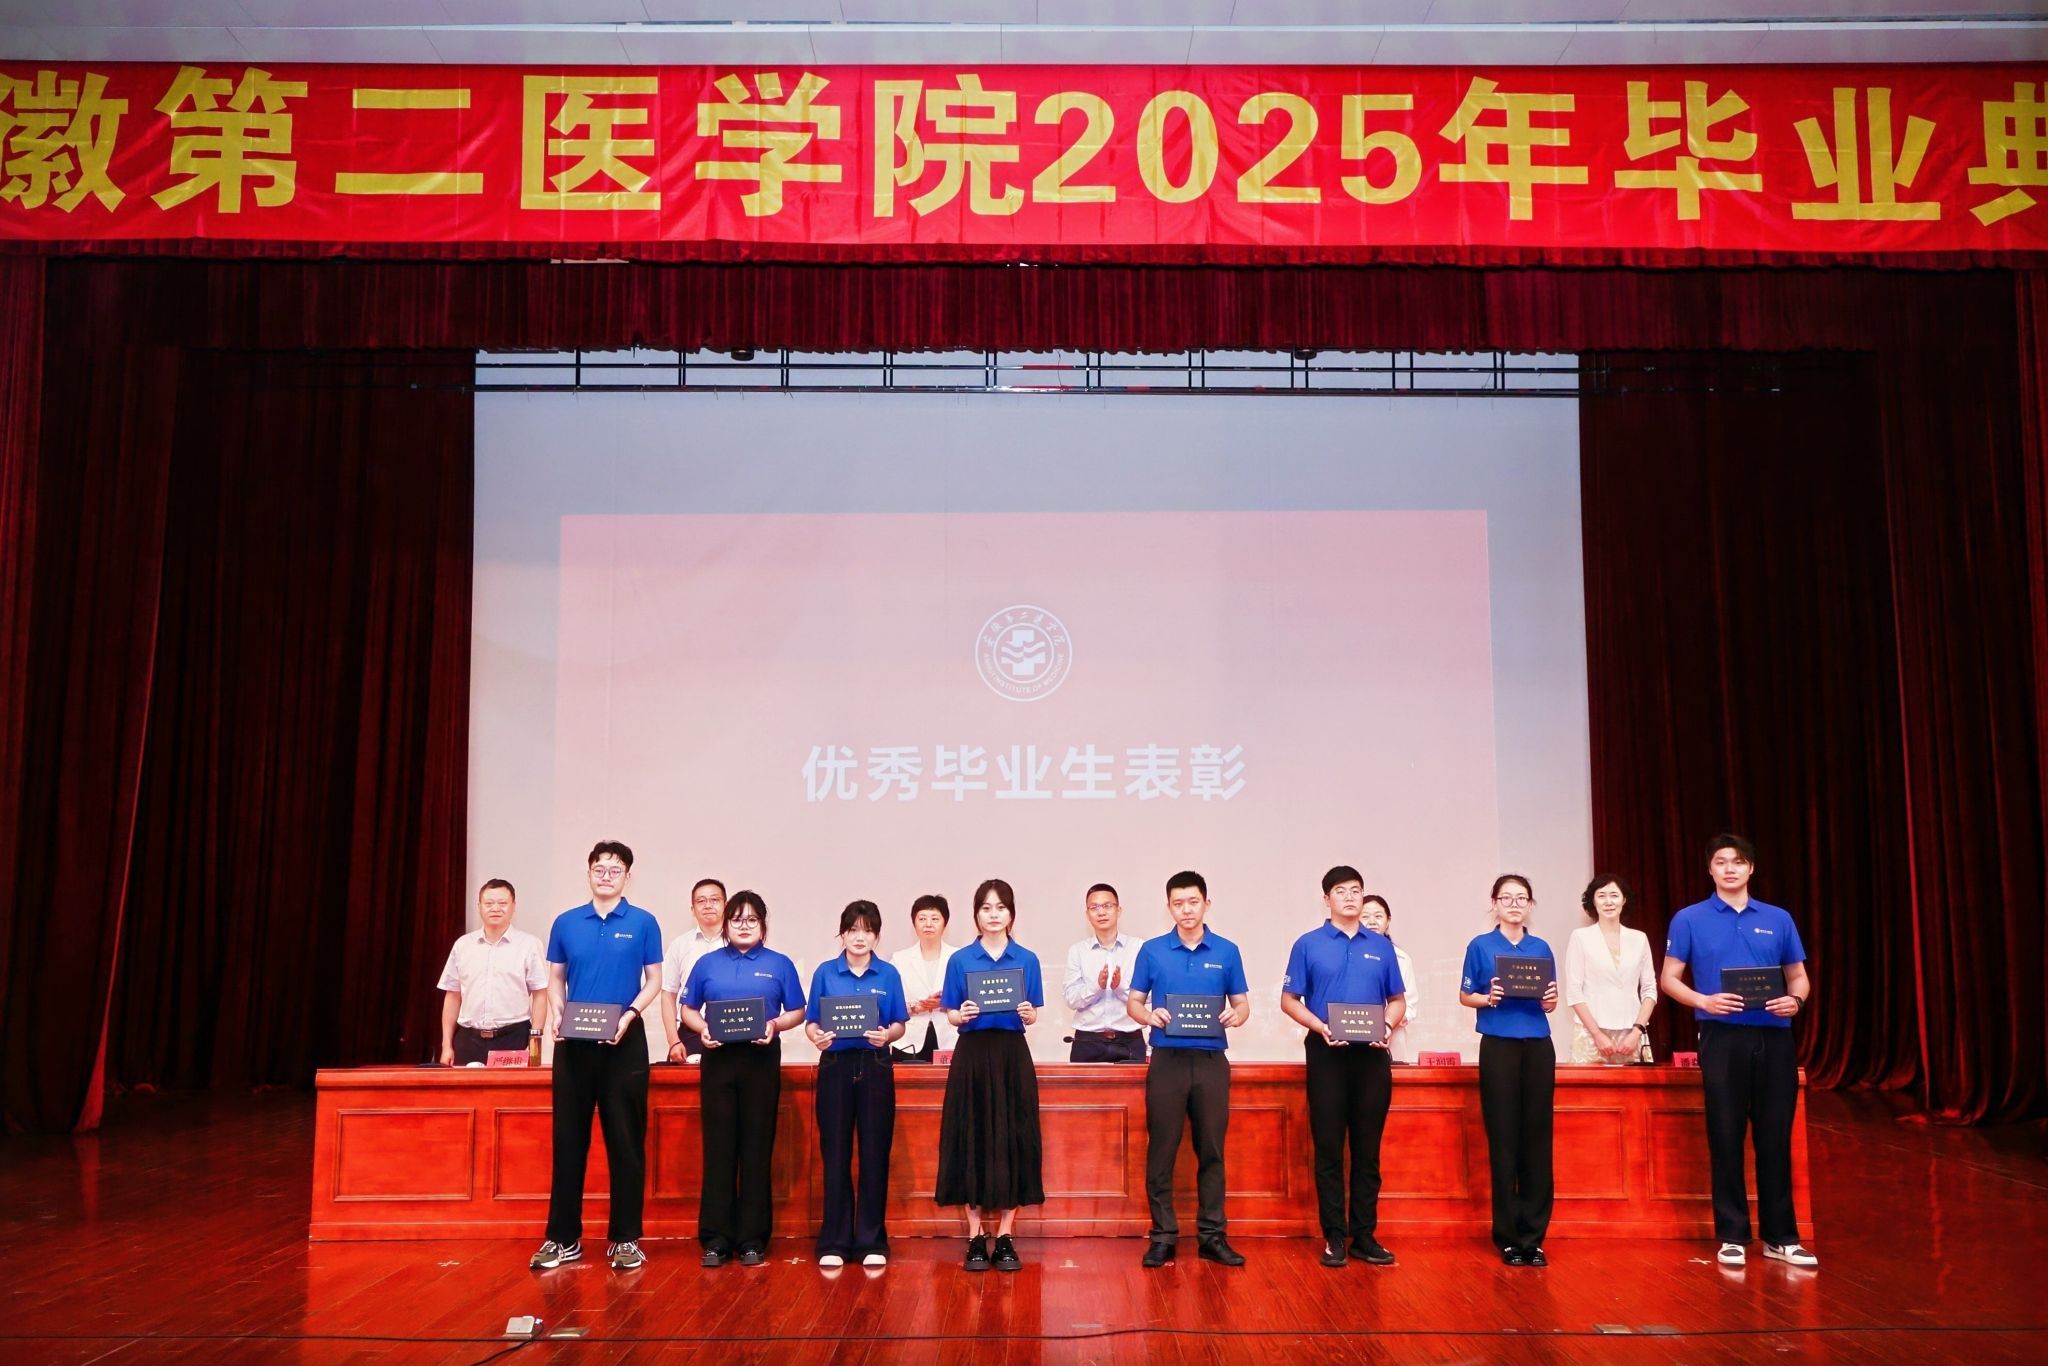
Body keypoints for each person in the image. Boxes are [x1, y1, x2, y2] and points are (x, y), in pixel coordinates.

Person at [1661, 834, 1818, 1270]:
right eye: (1721, 861)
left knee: (1775, 1136)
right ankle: (1732, 1235)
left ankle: (1781, 1237)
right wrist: (1704, 1001)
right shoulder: (1689, 918)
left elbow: (1798, 977)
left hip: (1775, 1037)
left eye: (1738, 861)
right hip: (1721, 1037)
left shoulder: (1778, 918)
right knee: (1725, 1135)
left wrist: (1796, 1001)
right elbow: (1669, 979)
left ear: (1751, 868)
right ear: (1709, 869)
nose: (1729, 869)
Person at [530, 841, 663, 1273]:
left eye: (615, 870)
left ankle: (626, 1239)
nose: (606, 876)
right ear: (589, 873)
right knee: (569, 1140)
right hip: (574, 1041)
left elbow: (654, 979)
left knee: (626, 1141)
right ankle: (562, 1238)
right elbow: (555, 977)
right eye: (600, 869)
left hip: (625, 1040)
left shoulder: (643, 922)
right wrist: (556, 1012)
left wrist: (630, 1014)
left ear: (628, 876)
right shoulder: (567, 922)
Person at [1280, 866, 1406, 1269]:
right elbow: (1288, 1000)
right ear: (1326, 899)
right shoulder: (1308, 944)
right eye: (1340, 891)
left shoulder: (1381, 946)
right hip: (1326, 1054)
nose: (1350, 897)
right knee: (1330, 1148)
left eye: (1356, 890)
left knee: (1368, 1150)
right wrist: (1320, 1026)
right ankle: (1335, 1235)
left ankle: (1364, 1235)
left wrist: (1388, 1026)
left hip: (1372, 1056)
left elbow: (1397, 1000)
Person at [1127, 870, 1250, 1268]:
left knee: (1211, 1150)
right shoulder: (1152, 951)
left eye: (1193, 902)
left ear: (1206, 904)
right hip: (1167, 1060)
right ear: (1169, 907)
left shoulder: (1227, 951)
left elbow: (1242, 1004)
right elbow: (1134, 1002)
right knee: (1161, 1150)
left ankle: (1212, 1236)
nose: (1186, 910)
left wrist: (1237, 1015)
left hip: (1211, 1061)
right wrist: (1149, 1015)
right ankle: (1163, 1236)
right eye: (1178, 903)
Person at [680, 890, 807, 1268]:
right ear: (726, 924)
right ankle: (716, 1238)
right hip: (718, 1060)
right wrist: (702, 1029)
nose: (744, 926)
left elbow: (798, 1010)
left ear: (763, 925)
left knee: (756, 1148)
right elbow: (688, 1009)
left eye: (752, 920)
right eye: (737, 919)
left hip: (760, 1060)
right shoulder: (707, 963)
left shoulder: (779, 964)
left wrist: (775, 1024)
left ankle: (753, 1238)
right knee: (719, 1149)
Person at [936, 878, 1045, 1272]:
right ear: (976, 915)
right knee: (972, 1137)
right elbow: (950, 1012)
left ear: (1011, 914)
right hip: (973, 1056)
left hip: (1012, 1055)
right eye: (986, 907)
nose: (994, 914)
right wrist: (959, 1015)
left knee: (1014, 1137)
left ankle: (1006, 1236)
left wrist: (1030, 1015)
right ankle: (975, 1236)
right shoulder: (961, 960)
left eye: (1001, 907)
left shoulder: (1027, 959)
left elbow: (1033, 1011)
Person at [1458, 873, 1562, 1267]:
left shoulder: (1541, 947)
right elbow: (1466, 995)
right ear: (1495, 903)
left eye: (1521, 898)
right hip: (1498, 1044)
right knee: (1503, 1140)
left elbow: (1549, 1000)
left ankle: (1534, 1238)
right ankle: (1507, 1237)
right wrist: (1488, 997)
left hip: (1538, 1045)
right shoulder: (1480, 946)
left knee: (1537, 1140)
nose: (1514, 905)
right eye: (1507, 898)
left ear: (1530, 905)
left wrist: (1550, 1001)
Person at [803, 900, 909, 1270]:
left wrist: (887, 1036)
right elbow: (812, 1021)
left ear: (877, 935)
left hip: (875, 1064)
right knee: (835, 1153)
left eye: (867, 930)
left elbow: (899, 1023)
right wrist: (816, 1036)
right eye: (852, 930)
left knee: (875, 1152)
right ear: (842, 934)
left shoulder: (888, 974)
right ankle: (834, 1239)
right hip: (835, 1065)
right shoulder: (825, 972)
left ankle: (871, 1240)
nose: (859, 937)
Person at [438, 878, 547, 1066]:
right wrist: (446, 1045)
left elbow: (540, 995)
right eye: (489, 903)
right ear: (479, 907)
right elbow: (452, 996)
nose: (495, 909)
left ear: (514, 906)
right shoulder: (463, 945)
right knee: (464, 1087)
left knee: (511, 1087)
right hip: (468, 1039)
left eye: (502, 903)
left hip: (513, 1038)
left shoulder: (529, 945)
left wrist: (534, 1046)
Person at [1564, 875, 1657, 1065]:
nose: (1608, 902)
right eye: (1601, 895)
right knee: (1587, 1085)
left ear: (1624, 899)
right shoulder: (1580, 937)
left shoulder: (1639, 938)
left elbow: (1649, 989)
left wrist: (1637, 1031)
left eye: (1614, 895)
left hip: (1631, 1033)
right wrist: (1597, 1034)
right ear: (1593, 901)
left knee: (1634, 1085)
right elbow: (1574, 991)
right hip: (1590, 1033)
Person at [1062, 882, 1146, 1063]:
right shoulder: (1078, 951)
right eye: (1094, 907)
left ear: (1118, 910)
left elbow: (1148, 996)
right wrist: (1097, 987)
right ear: (1087, 914)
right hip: (1087, 1042)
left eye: (1107, 906)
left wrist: (1120, 988)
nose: (1101, 912)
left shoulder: (1139, 948)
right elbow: (1071, 999)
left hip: (1129, 1041)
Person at [659, 878, 727, 1063]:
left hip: (731, 1030)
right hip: (689, 1034)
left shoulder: (738, 943)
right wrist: (673, 1041)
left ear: (726, 905)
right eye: (701, 901)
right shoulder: (680, 945)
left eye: (714, 900)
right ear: (692, 909)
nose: (708, 905)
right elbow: (668, 994)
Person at [891, 894, 956, 1061]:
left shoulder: (958, 957)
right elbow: (890, 1005)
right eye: (922, 918)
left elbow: (969, 1000)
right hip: (908, 1041)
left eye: (935, 919)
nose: (928, 924)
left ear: (945, 923)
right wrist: (918, 1006)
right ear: (914, 923)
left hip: (950, 1039)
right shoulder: (899, 960)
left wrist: (946, 1001)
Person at [1359, 895, 1419, 1065]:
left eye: (1378, 916)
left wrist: (1386, 1024)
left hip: (1392, 1038)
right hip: (1351, 1036)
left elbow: (1410, 1005)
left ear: (1388, 921)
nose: (1372, 922)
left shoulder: (1401, 958)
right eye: (1365, 916)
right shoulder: (1344, 954)